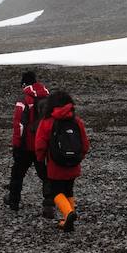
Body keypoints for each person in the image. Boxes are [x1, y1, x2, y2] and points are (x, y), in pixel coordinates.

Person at [33, 89, 90, 231]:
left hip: (55, 164)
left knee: (56, 191)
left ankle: (68, 213)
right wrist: (78, 158)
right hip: (73, 163)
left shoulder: (47, 122)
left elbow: (40, 144)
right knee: (69, 190)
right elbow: (85, 144)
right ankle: (67, 219)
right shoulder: (76, 121)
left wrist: (40, 159)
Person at [5, 71, 50, 211]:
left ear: (24, 84)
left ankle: (14, 202)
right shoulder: (48, 98)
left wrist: (16, 145)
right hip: (42, 145)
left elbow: (19, 125)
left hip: (25, 146)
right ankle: (49, 204)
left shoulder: (24, 100)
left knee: (17, 174)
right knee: (46, 174)